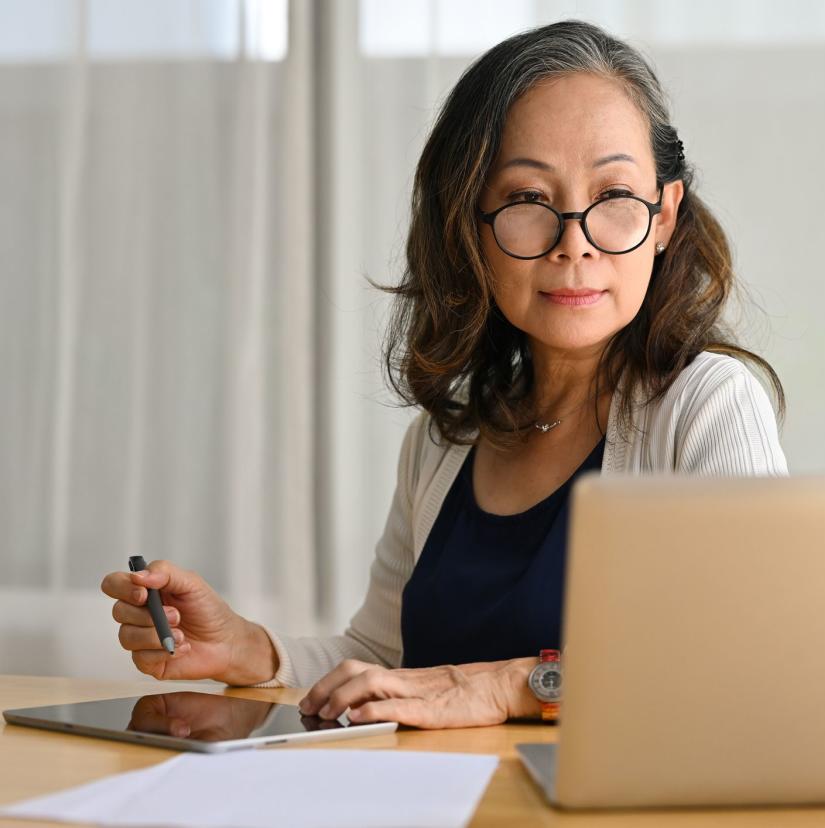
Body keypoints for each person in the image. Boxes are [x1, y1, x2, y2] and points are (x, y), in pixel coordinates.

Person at [100, 20, 787, 730]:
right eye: (528, 201)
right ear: (471, 225)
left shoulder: (707, 406)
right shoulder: (445, 439)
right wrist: (249, 648)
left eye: (614, 195)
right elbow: (382, 659)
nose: (574, 244)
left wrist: (509, 686)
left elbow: (747, 660)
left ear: (665, 214)